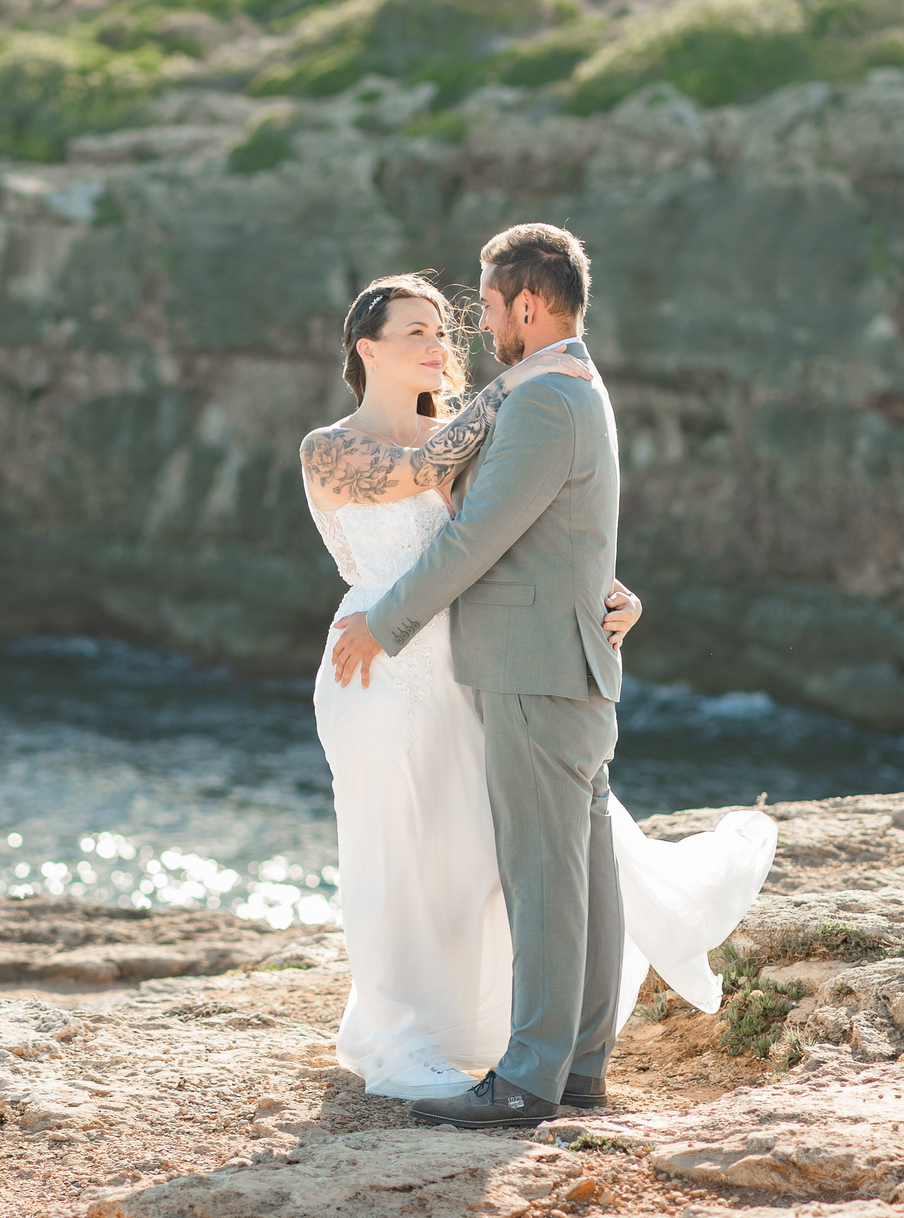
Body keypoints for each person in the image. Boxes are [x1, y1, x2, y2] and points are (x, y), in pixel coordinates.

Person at [312, 228, 776, 1126]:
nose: (466, 332)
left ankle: (532, 1074)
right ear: (365, 347)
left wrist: (392, 621)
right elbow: (527, 516)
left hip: (496, 661)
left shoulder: (539, 398)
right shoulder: (549, 392)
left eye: (477, 312)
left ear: (526, 306)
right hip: (443, 670)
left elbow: (477, 535)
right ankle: (565, 1063)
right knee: (539, 864)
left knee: (541, 873)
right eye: (426, 327)